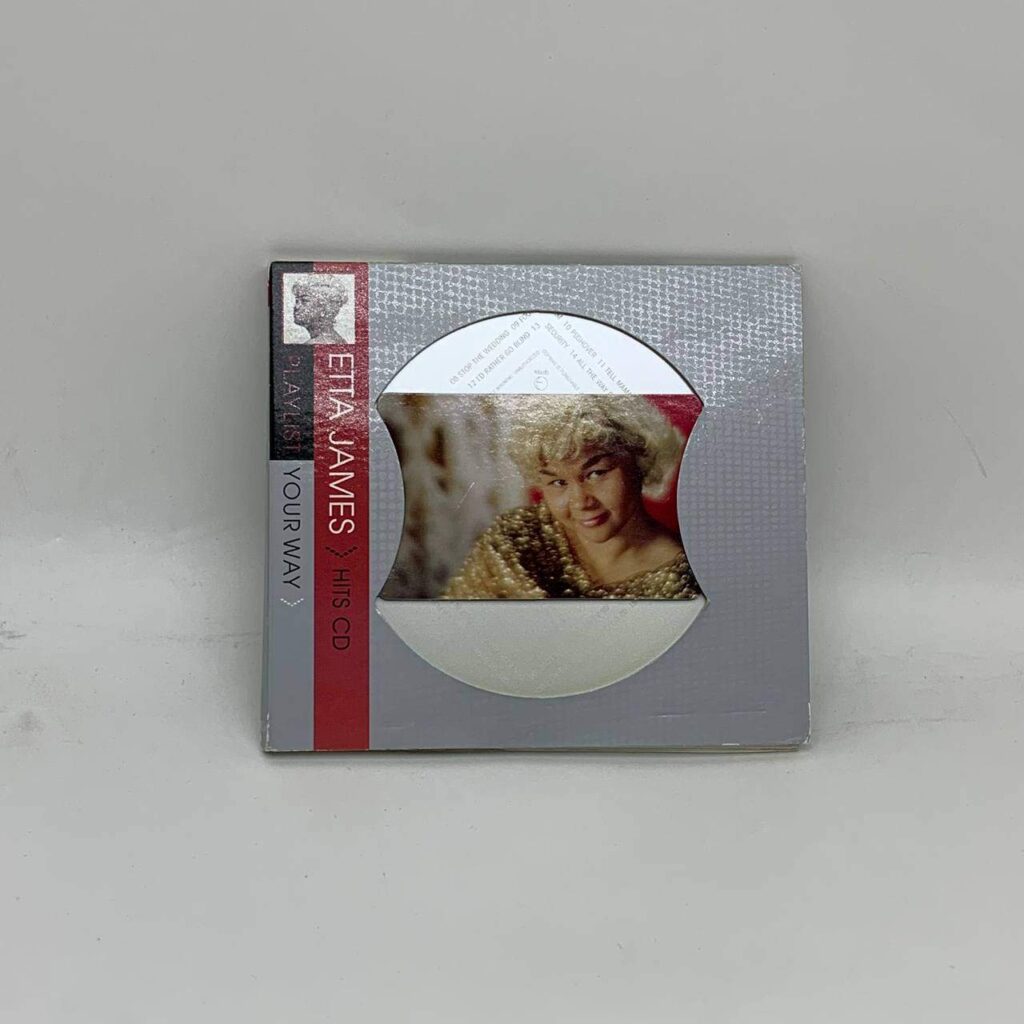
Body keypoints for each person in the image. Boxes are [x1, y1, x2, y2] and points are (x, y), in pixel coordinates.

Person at [443, 395, 703, 600]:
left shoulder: (685, 581)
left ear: (639, 460)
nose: (580, 502)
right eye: (558, 482)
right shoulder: (515, 540)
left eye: (596, 473)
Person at [291, 276, 348, 343]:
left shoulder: (315, 343)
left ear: (325, 308)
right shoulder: (337, 339)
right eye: (297, 301)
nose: (296, 307)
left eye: (305, 301)